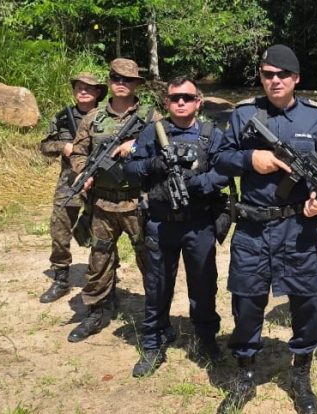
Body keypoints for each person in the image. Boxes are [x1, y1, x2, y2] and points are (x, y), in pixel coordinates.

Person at [213, 44, 317, 414]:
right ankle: (245, 374)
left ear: (296, 78)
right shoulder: (243, 115)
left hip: (300, 228)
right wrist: (250, 159)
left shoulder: (314, 119)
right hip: (253, 228)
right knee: (247, 302)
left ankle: (301, 374)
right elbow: (220, 158)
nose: (274, 81)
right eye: (267, 74)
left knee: (305, 302)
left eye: (282, 75)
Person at [124, 76, 231, 377]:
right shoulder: (152, 133)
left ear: (198, 101)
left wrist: (200, 183)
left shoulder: (212, 134)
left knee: (204, 285)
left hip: (198, 224)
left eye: (186, 97)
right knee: (157, 287)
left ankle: (207, 339)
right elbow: (129, 170)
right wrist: (152, 165)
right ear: (167, 102)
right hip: (160, 223)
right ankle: (152, 343)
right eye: (174, 98)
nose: (180, 102)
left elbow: (225, 172)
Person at [68, 58, 160, 342]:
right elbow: (79, 152)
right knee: (99, 257)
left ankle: (156, 313)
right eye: (116, 78)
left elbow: (166, 149)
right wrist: (83, 173)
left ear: (136, 85)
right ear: (109, 82)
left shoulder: (150, 116)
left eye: (128, 80)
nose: (121, 84)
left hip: (137, 202)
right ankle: (96, 311)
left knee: (150, 259)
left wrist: (137, 144)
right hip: (103, 203)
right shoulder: (93, 118)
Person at [39, 73, 106, 303]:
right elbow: (44, 145)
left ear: (98, 92)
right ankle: (60, 278)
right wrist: (63, 145)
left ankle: (107, 283)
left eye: (89, 88)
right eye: (79, 87)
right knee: (59, 227)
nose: (83, 91)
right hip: (69, 182)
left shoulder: (107, 117)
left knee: (103, 235)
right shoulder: (62, 117)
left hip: (102, 184)